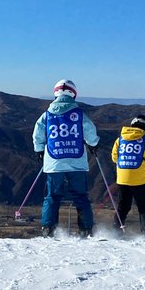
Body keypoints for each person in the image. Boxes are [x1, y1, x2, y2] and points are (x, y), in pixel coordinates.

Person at [33, 79, 99, 237]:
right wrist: (93, 144)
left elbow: (38, 134)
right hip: (77, 163)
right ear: (73, 93)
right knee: (80, 196)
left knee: (52, 196)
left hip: (54, 163)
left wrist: (39, 149)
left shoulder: (47, 115)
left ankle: (48, 229)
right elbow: (90, 131)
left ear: (55, 93)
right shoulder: (79, 114)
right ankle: (86, 229)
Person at [110, 114, 145, 234]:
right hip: (138, 179)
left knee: (123, 206)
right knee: (143, 206)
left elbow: (114, 157)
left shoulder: (120, 139)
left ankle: (116, 231)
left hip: (122, 178)